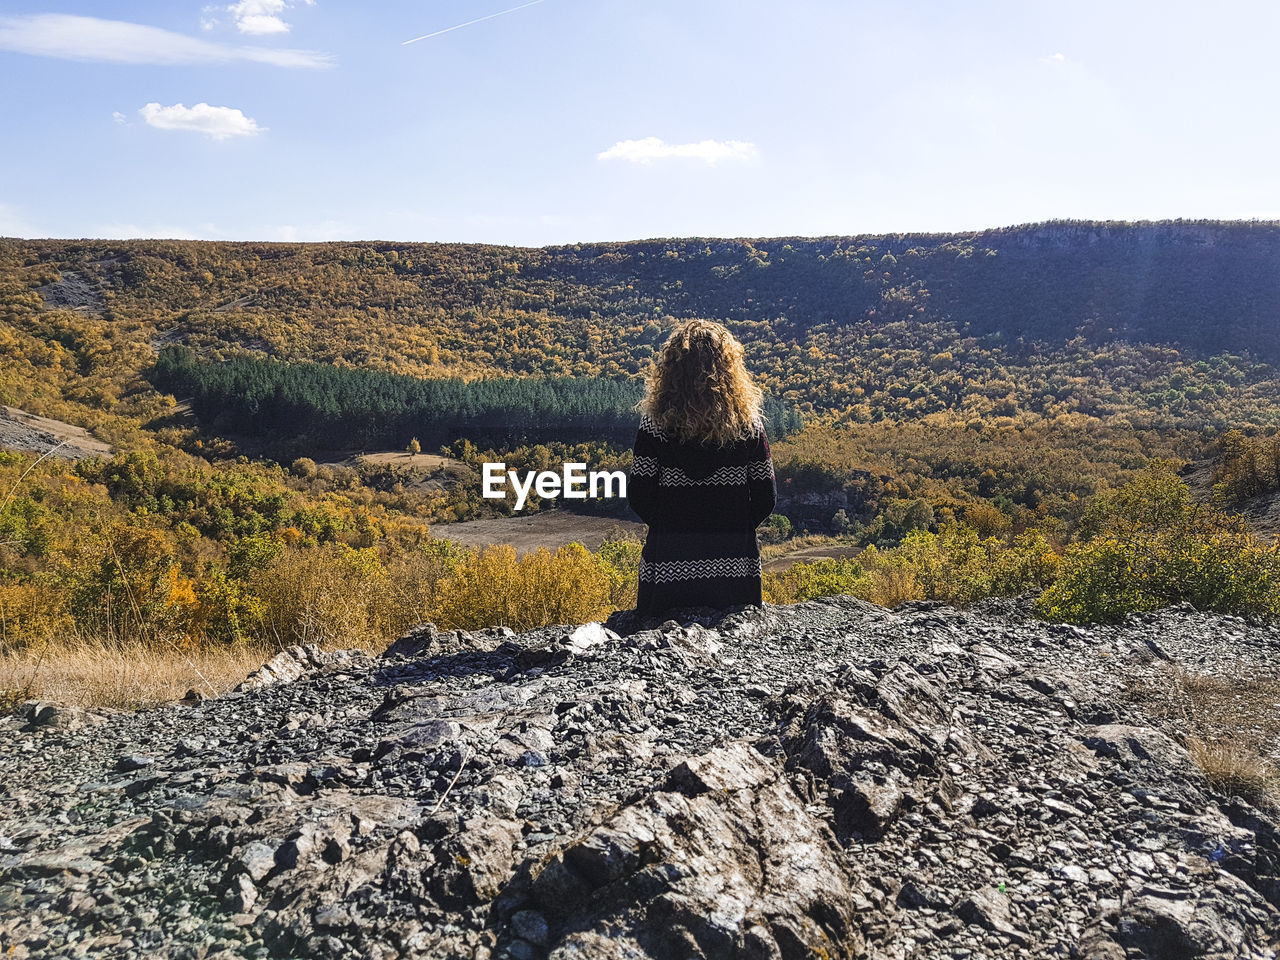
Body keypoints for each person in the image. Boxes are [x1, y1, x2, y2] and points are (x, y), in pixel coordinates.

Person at [626, 319, 776, 619]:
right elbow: (765, 497)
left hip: (667, 571)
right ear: (729, 370)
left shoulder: (654, 426)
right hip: (735, 575)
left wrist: (672, 527)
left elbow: (639, 496)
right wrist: (731, 528)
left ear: (672, 370)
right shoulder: (748, 427)